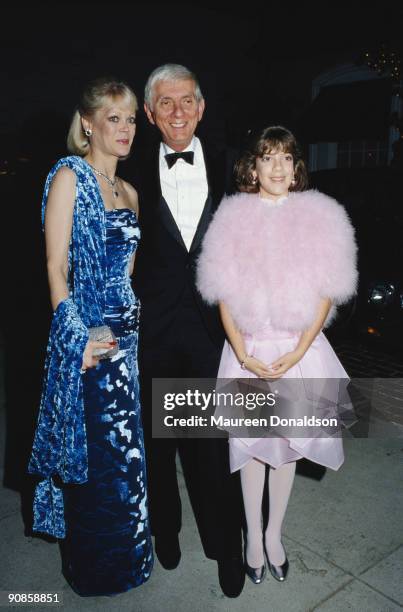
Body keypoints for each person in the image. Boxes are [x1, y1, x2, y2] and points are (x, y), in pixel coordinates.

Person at [196, 126, 357, 585]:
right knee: (251, 447)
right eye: (268, 157)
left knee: (286, 449)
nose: (279, 166)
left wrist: (300, 350)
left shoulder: (322, 215)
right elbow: (221, 290)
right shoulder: (233, 217)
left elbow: (328, 289)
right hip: (249, 349)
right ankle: (251, 539)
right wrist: (243, 354)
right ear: (253, 167)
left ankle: (274, 536)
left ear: (296, 166)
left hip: (297, 349)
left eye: (287, 157)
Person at [28, 77, 153, 596]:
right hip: (89, 339)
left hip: (128, 338)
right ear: (88, 124)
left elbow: (128, 272)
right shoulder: (68, 178)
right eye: (113, 118)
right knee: (97, 462)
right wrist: (77, 339)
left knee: (128, 458)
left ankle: (130, 562)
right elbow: (56, 267)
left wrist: (131, 321)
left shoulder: (131, 191)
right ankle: (97, 570)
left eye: (130, 120)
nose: (124, 129)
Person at [132, 64, 245, 598]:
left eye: (187, 101)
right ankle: (166, 532)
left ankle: (227, 547)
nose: (177, 111)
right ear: (150, 114)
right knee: (157, 445)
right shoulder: (126, 170)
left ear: (201, 108)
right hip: (150, 331)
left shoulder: (229, 165)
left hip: (212, 330)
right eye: (166, 103)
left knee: (213, 448)